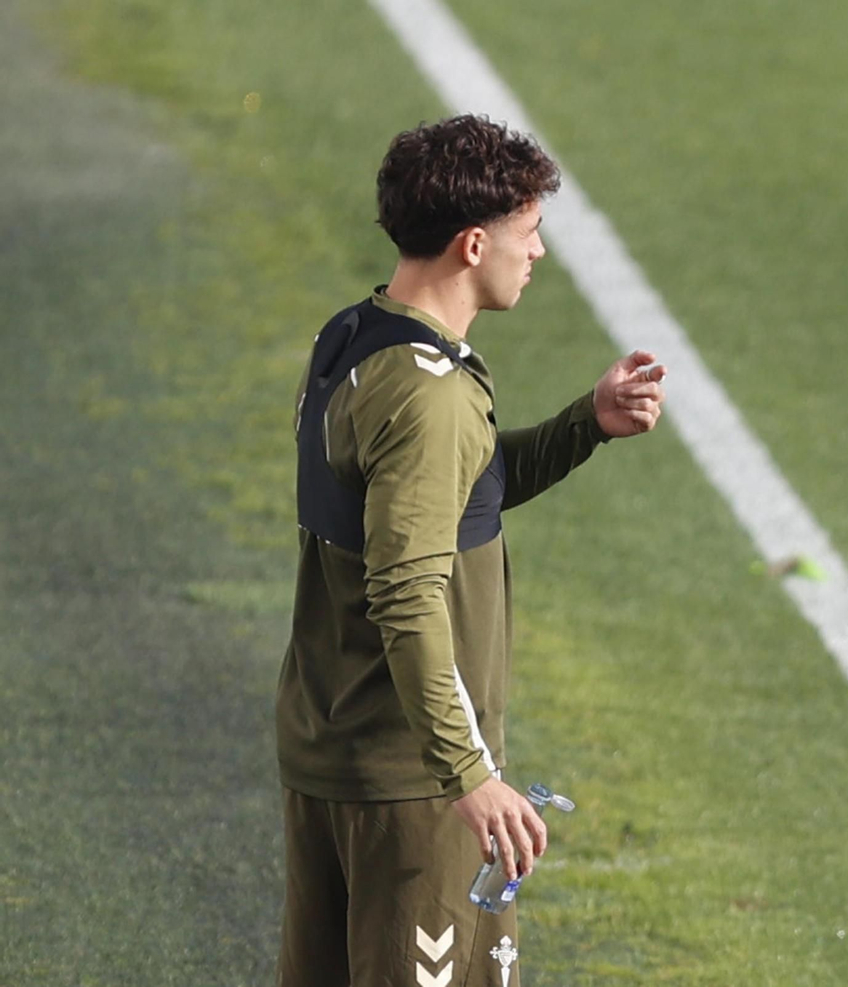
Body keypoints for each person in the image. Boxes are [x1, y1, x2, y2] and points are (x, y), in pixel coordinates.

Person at [275, 115, 666, 987]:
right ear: (475, 241)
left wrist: (584, 426)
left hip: (330, 751)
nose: (538, 255)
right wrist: (469, 776)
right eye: (529, 235)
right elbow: (407, 591)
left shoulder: (349, 339)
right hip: (411, 784)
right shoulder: (431, 397)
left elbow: (442, 498)